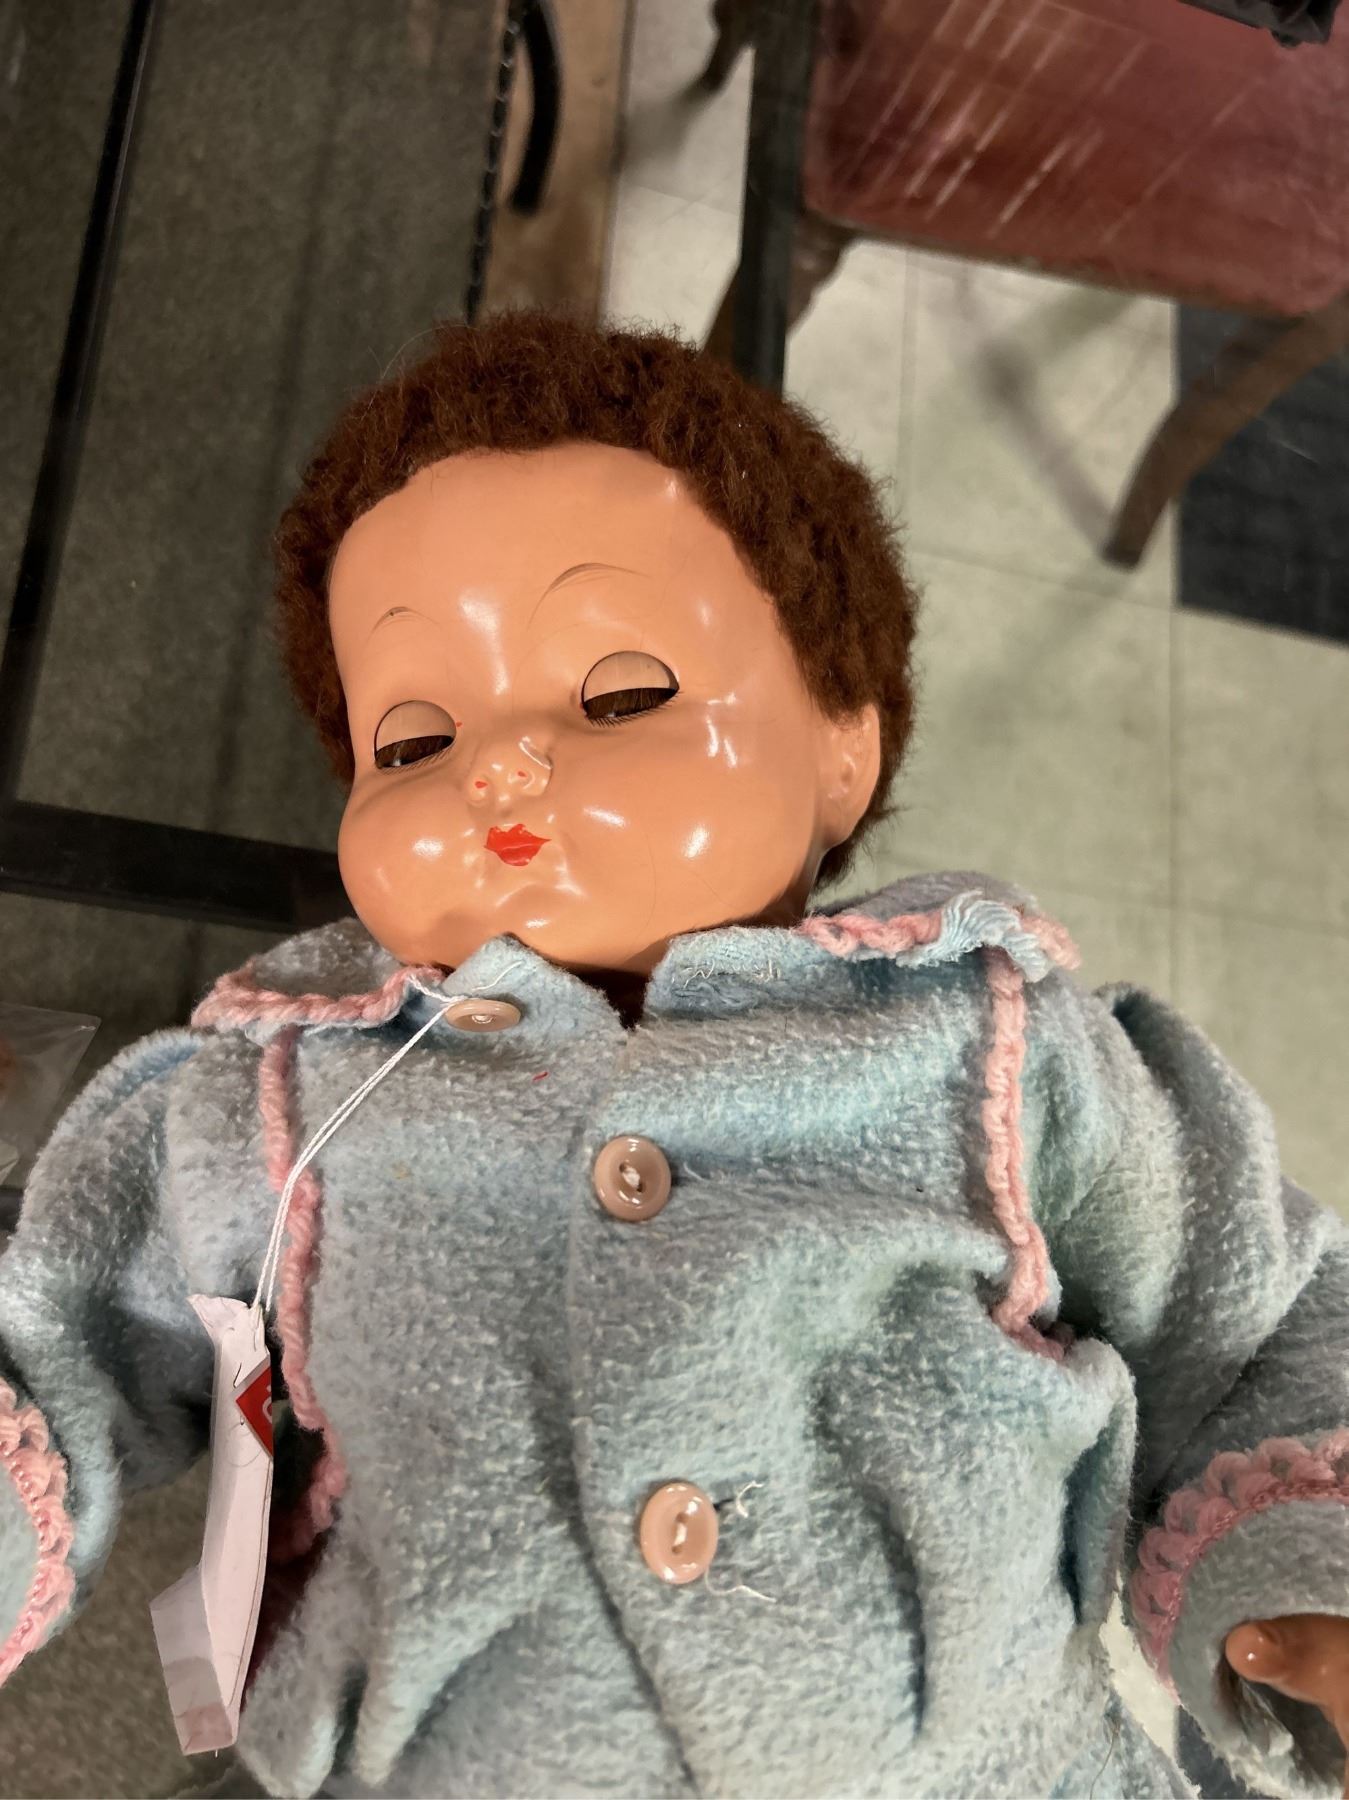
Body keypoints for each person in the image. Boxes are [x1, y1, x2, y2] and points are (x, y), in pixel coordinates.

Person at [1, 312, 1346, 1800]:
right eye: (411, 742)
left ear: (842, 744)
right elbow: (51, 1333)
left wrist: (1311, 1565)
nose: (497, 768)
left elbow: (1257, 1319)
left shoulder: (995, 1049)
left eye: (620, 694)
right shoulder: (274, 1097)